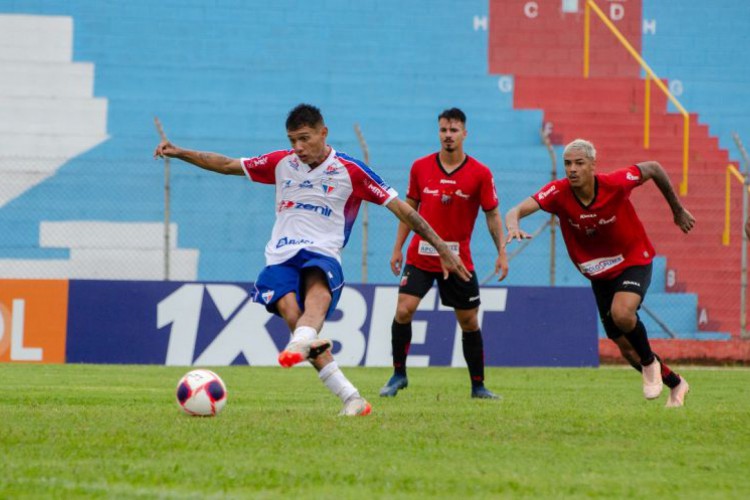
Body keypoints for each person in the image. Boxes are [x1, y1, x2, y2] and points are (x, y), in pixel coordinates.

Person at [154, 103, 470, 416]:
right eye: (292, 140)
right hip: (280, 254)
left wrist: (441, 246)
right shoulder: (280, 163)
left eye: (304, 138)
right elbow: (225, 164)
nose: (298, 147)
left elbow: (401, 208)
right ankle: (351, 397)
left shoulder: (351, 170)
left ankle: (302, 341)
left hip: (322, 250)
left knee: (317, 285)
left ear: (323, 133)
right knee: (291, 310)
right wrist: (180, 151)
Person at [505, 138, 694, 407]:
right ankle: (676, 383)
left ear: (593, 165)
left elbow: (653, 167)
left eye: (579, 163)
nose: (572, 169)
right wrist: (512, 225)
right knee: (627, 350)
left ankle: (650, 363)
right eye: (568, 163)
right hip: (600, 274)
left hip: (633, 259)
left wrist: (677, 210)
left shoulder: (615, 183)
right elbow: (517, 209)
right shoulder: (558, 193)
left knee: (622, 313)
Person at [379, 108, 509, 400]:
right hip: (421, 256)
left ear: (464, 134)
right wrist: (398, 247)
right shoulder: (420, 167)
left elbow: (492, 215)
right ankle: (399, 374)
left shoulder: (480, 173)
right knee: (403, 310)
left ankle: (478, 385)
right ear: (438, 132)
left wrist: (501, 252)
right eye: (443, 130)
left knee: (469, 322)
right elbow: (408, 211)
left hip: (458, 260)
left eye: (453, 130)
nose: (448, 136)